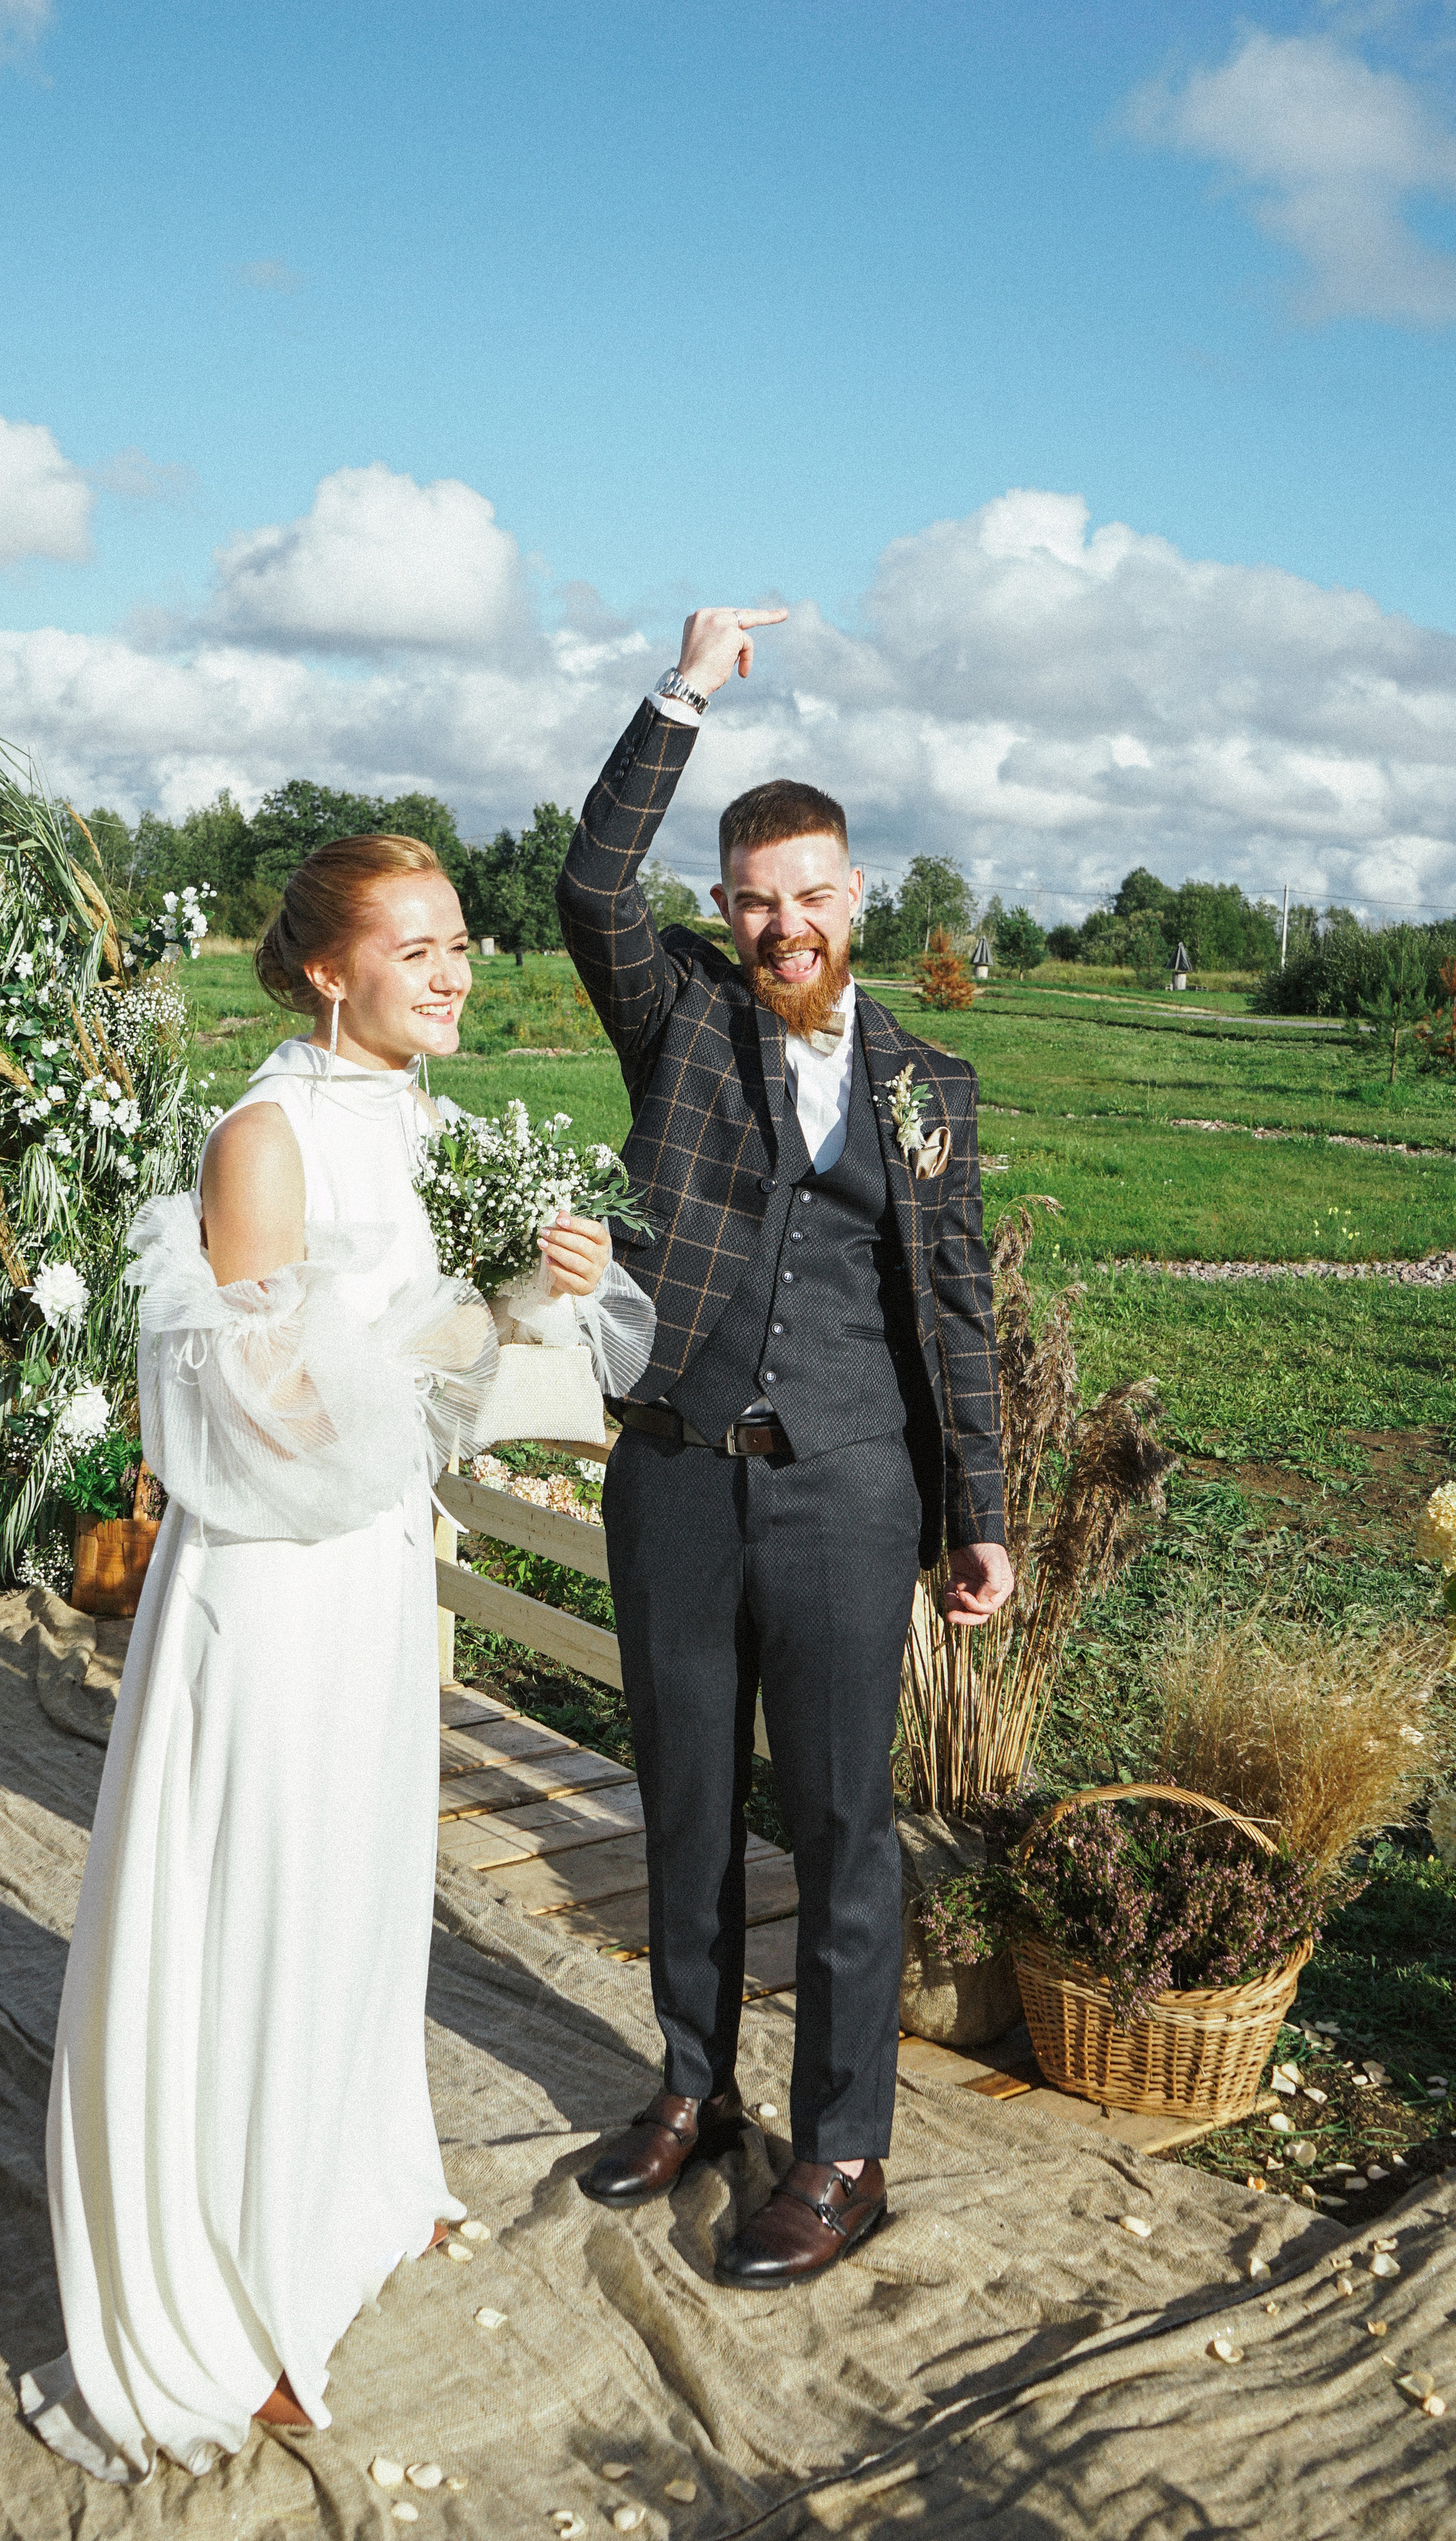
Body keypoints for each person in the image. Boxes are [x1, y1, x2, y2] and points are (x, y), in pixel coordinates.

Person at [21, 833, 631, 2480]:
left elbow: (418, 1387)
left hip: (369, 1571)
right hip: (275, 1585)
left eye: (460, 949)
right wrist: (477, 1313)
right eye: (418, 948)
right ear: (324, 969)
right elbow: (268, 1425)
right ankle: (237, 2299)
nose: (453, 974)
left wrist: (526, 1298)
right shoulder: (267, 1141)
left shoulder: (416, 1120)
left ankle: (353, 2186)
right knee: (265, 1902)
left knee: (361, 1887)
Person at [558, 608, 1014, 2288]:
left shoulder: (931, 1085)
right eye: (754, 897)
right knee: (680, 1793)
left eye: (810, 893)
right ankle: (692, 2083)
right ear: (727, 910)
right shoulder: (677, 1019)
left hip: (846, 1486)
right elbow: (588, 888)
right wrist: (680, 695)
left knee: (838, 1823)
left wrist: (977, 1513)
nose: (782, 922)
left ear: (853, 901)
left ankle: (841, 2149)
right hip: (674, 1471)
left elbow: (951, 1311)